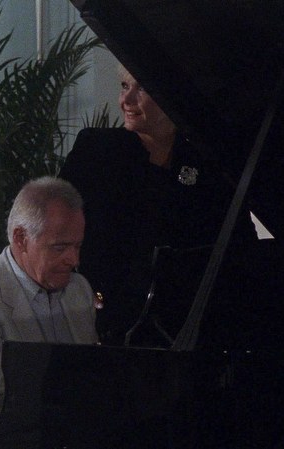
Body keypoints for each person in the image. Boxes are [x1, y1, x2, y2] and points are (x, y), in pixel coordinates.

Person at [59, 66, 257, 348]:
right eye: (124, 86)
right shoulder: (96, 150)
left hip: (186, 329)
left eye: (141, 88)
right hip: (104, 321)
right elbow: (56, 228)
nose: (126, 100)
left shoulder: (207, 162)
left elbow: (238, 246)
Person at [0, 176, 99, 443]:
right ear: (21, 238)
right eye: (60, 247)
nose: (74, 259)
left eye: (78, 246)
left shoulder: (79, 289)